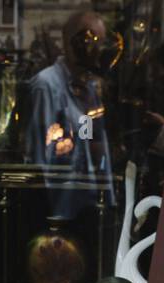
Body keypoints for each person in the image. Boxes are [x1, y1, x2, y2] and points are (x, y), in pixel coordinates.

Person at [26, 10, 115, 220]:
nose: (98, 51)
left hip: (84, 202)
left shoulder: (87, 87)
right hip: (59, 208)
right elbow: (40, 154)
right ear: (73, 41)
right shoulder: (46, 85)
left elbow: (86, 135)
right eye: (93, 41)